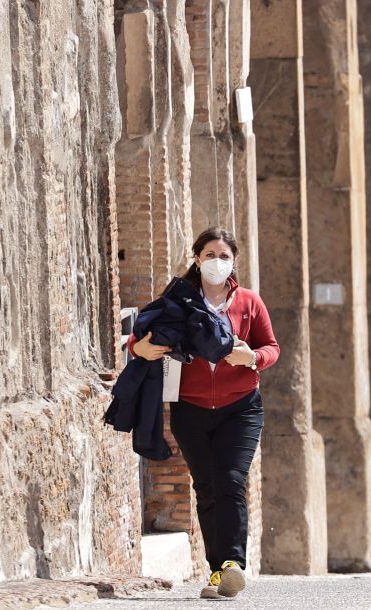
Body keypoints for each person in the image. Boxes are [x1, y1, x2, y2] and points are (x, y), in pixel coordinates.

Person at [131, 227, 278, 599]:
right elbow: (143, 334)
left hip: (241, 409)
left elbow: (271, 347)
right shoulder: (179, 300)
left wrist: (253, 358)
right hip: (191, 409)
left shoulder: (248, 302)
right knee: (207, 487)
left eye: (224, 256)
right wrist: (140, 348)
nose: (217, 262)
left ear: (234, 261)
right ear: (197, 258)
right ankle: (218, 572)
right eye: (209, 254)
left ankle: (232, 564)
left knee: (230, 479)